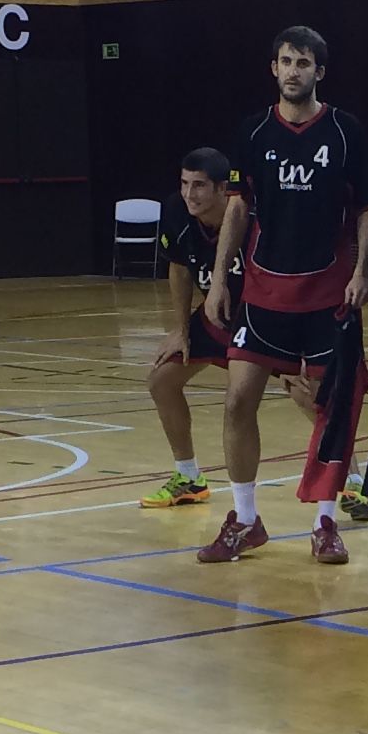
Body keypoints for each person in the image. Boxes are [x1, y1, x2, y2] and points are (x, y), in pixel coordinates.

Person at [197, 25, 368, 563]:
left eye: (303, 62)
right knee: (237, 401)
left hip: (328, 296)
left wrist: (363, 271)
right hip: (262, 292)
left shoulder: (346, 133)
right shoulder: (253, 134)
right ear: (273, 69)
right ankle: (246, 520)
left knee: (331, 409)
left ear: (319, 72)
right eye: (285, 61)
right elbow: (236, 206)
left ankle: (325, 522)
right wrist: (219, 279)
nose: (293, 70)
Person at [141, 148, 242, 508]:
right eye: (184, 184)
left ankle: (351, 480)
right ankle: (189, 477)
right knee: (161, 380)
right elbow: (180, 268)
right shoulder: (176, 211)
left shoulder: (247, 215)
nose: (189, 194)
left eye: (199, 186)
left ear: (221, 189)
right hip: (214, 318)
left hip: (258, 320)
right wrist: (181, 329)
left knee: (305, 391)